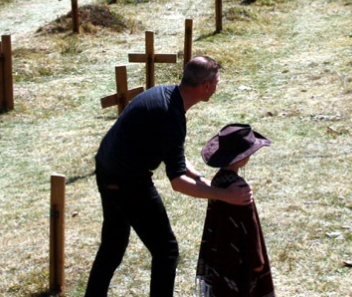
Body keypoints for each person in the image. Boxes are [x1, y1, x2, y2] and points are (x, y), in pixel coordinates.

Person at [86, 56, 252, 297]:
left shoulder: (167, 95)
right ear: (205, 86)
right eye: (217, 81)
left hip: (107, 167)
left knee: (113, 245)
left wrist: (199, 178)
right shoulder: (170, 115)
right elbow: (177, 183)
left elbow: (174, 154)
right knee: (166, 249)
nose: (218, 86)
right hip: (127, 181)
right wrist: (223, 195)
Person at [195, 124, 275, 297]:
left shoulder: (217, 182)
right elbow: (250, 227)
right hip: (240, 256)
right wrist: (257, 259)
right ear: (242, 159)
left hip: (220, 250)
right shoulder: (240, 190)